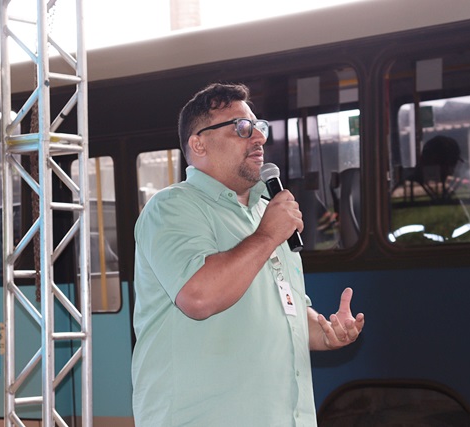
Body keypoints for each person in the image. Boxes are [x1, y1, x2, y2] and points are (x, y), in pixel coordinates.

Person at [131, 83, 365, 426]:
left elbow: (287, 310)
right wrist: (268, 235)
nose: (258, 137)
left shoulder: (267, 212)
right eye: (241, 127)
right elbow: (198, 296)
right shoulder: (171, 208)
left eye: (259, 126)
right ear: (199, 144)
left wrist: (326, 332)